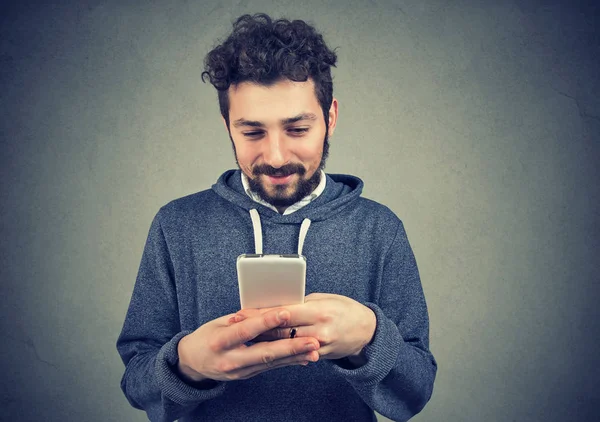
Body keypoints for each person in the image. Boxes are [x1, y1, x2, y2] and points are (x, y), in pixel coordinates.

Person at [117, 13, 437, 422]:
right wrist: (185, 365)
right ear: (227, 127)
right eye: (252, 132)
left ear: (331, 118)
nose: (276, 157)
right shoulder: (176, 225)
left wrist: (369, 339)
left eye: (298, 129)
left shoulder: (379, 230)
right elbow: (136, 382)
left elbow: (417, 391)